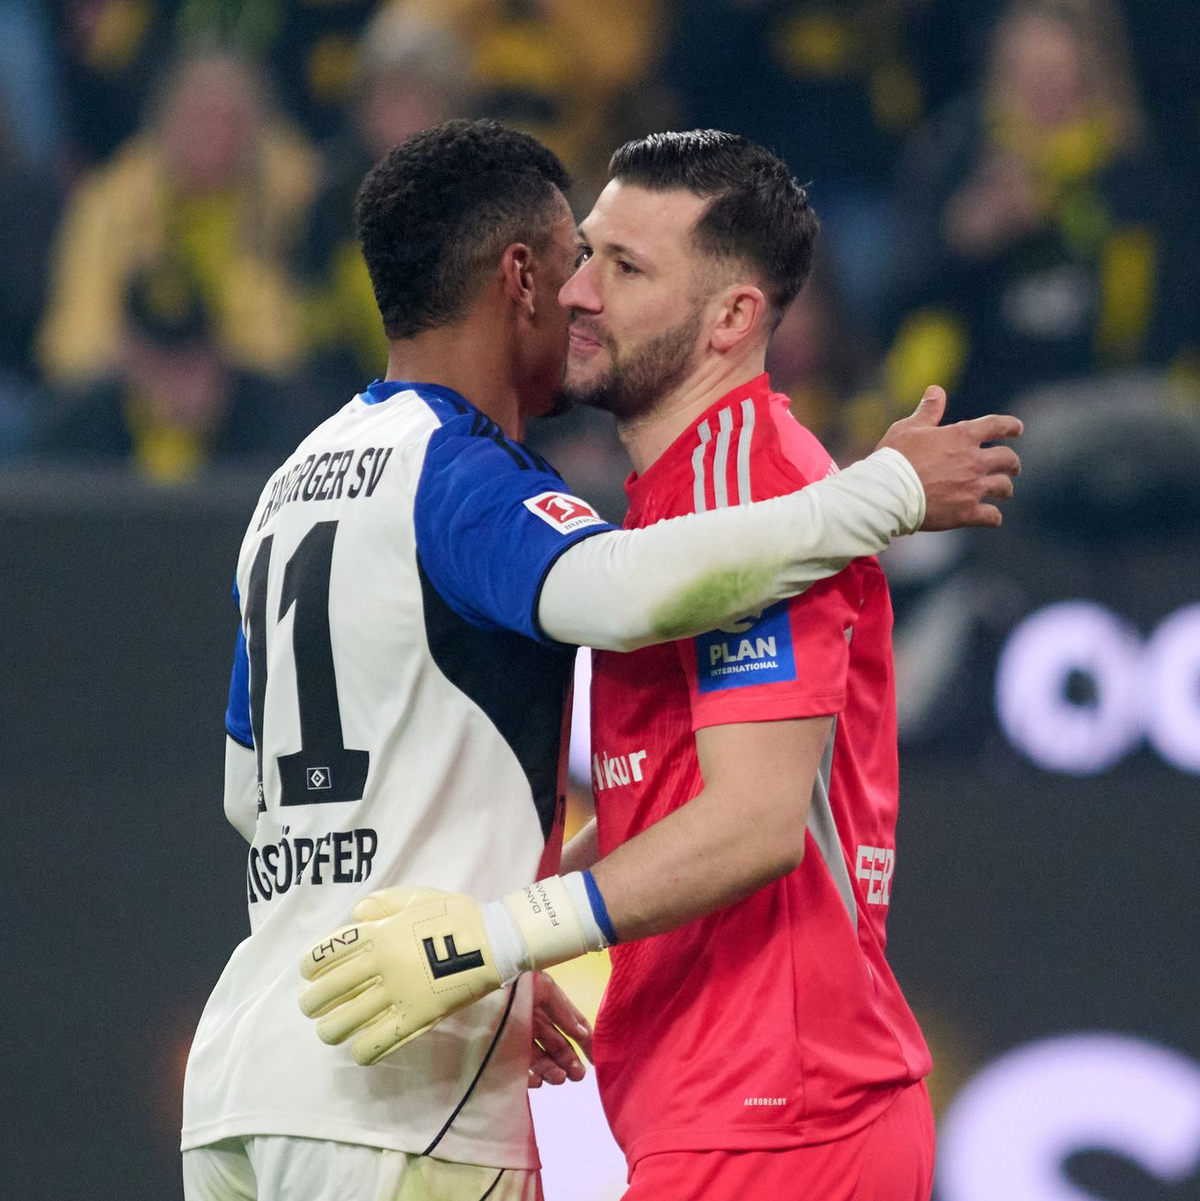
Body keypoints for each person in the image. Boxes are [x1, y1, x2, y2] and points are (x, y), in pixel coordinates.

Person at [187, 119, 1018, 1199]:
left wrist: (486, 946)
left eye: (620, 266)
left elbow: (751, 821)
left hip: (776, 1105)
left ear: (731, 316)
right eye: (583, 254)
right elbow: (630, 620)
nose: (580, 291)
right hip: (557, 1090)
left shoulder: (742, 487)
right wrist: (491, 954)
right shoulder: (637, 519)